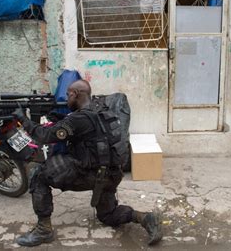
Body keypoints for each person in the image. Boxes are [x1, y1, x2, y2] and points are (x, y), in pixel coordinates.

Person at [11, 80, 163, 247]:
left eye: (68, 95)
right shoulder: (100, 109)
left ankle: (43, 230)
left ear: (76, 94)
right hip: (111, 174)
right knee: (108, 215)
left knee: (39, 175)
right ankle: (145, 218)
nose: (66, 99)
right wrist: (60, 118)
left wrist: (22, 118)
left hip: (91, 173)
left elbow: (45, 136)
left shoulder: (78, 119)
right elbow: (84, 129)